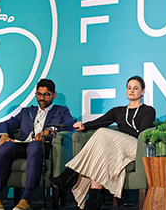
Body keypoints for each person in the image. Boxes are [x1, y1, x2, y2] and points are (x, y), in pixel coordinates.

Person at [49, 75, 156, 210]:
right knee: (98, 158)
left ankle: (70, 174)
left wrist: (116, 137)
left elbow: (143, 134)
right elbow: (100, 121)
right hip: (118, 150)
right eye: (129, 88)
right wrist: (84, 126)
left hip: (135, 147)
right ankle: (94, 201)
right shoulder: (118, 111)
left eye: (136, 88)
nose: (132, 91)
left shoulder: (148, 110)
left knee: (102, 132)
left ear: (143, 91)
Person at [0, 79, 75, 210]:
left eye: (46, 94)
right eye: (39, 94)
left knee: (34, 146)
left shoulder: (61, 111)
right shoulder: (26, 112)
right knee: (5, 146)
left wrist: (50, 130)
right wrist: (4, 135)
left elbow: (69, 125)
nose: (42, 98)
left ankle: (26, 199)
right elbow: (4, 124)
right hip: (22, 145)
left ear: (54, 95)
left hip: (42, 147)